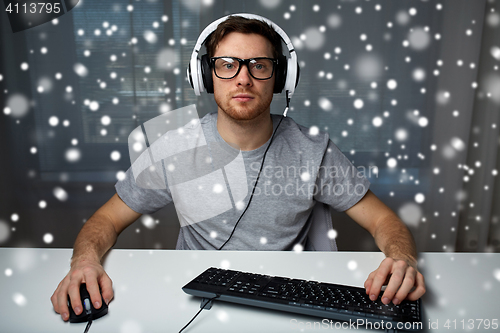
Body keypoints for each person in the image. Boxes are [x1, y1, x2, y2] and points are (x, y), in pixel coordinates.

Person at [51, 14, 425, 321]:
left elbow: (384, 221)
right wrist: (84, 263)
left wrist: (401, 258)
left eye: (258, 65)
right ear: (206, 76)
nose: (243, 78)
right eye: (227, 65)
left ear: (280, 79)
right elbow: (106, 220)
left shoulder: (315, 151)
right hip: (195, 301)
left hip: (287, 303)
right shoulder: (175, 148)